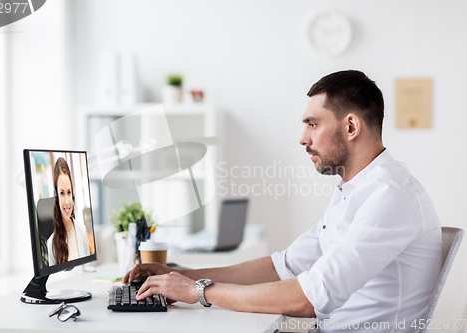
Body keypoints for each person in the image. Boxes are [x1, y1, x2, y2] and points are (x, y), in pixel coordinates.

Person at [123, 70, 442, 332]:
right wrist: (181, 276)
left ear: (350, 126)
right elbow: (285, 267)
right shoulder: (355, 190)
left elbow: (309, 299)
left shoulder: (388, 196)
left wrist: (198, 292)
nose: (302, 138)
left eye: (313, 124)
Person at [47, 157, 90, 265]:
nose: (67, 201)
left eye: (69, 192)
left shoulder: (82, 230)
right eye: (62, 193)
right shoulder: (51, 244)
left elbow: (87, 268)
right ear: (56, 197)